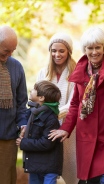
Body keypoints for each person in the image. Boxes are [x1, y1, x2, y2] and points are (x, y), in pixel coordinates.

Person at [48, 27, 104, 184]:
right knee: (91, 181)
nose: (94, 52)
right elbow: (75, 103)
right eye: (90, 48)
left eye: (97, 47)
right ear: (84, 49)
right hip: (87, 135)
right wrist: (65, 128)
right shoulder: (81, 68)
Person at [37, 32, 78, 184]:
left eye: (61, 50)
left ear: (68, 52)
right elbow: (36, 98)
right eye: (54, 50)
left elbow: (73, 102)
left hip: (69, 128)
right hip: (46, 127)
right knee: (48, 173)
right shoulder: (43, 73)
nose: (57, 54)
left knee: (72, 169)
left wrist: (52, 115)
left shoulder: (75, 73)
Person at [16, 80, 63, 184]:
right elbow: (22, 120)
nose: (31, 90)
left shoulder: (51, 119)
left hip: (49, 167)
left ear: (41, 98)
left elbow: (47, 143)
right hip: (35, 165)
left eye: (34, 89)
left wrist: (23, 143)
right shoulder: (32, 112)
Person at [0, 25, 28, 184]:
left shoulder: (16, 67)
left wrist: (23, 124)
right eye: (6, 51)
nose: (9, 55)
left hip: (8, 138)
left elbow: (22, 103)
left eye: (12, 51)